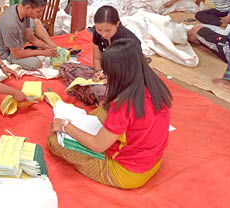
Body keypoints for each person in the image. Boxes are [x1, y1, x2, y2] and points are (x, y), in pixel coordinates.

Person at [48, 38, 172, 189]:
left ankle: (69, 131)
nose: (105, 78)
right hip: (152, 160)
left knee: (54, 141)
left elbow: (98, 145)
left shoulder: (123, 106)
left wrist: (66, 126)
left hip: (127, 173)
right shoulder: (153, 85)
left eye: (108, 74)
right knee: (102, 110)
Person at [0, 0, 59, 71]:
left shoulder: (23, 11)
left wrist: (46, 46)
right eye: (38, 11)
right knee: (36, 63)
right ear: (28, 8)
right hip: (5, 53)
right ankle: (18, 57)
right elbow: (16, 54)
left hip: (15, 43)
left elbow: (29, 37)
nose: (40, 14)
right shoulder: (10, 23)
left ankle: (53, 46)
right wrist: (42, 52)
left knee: (36, 22)